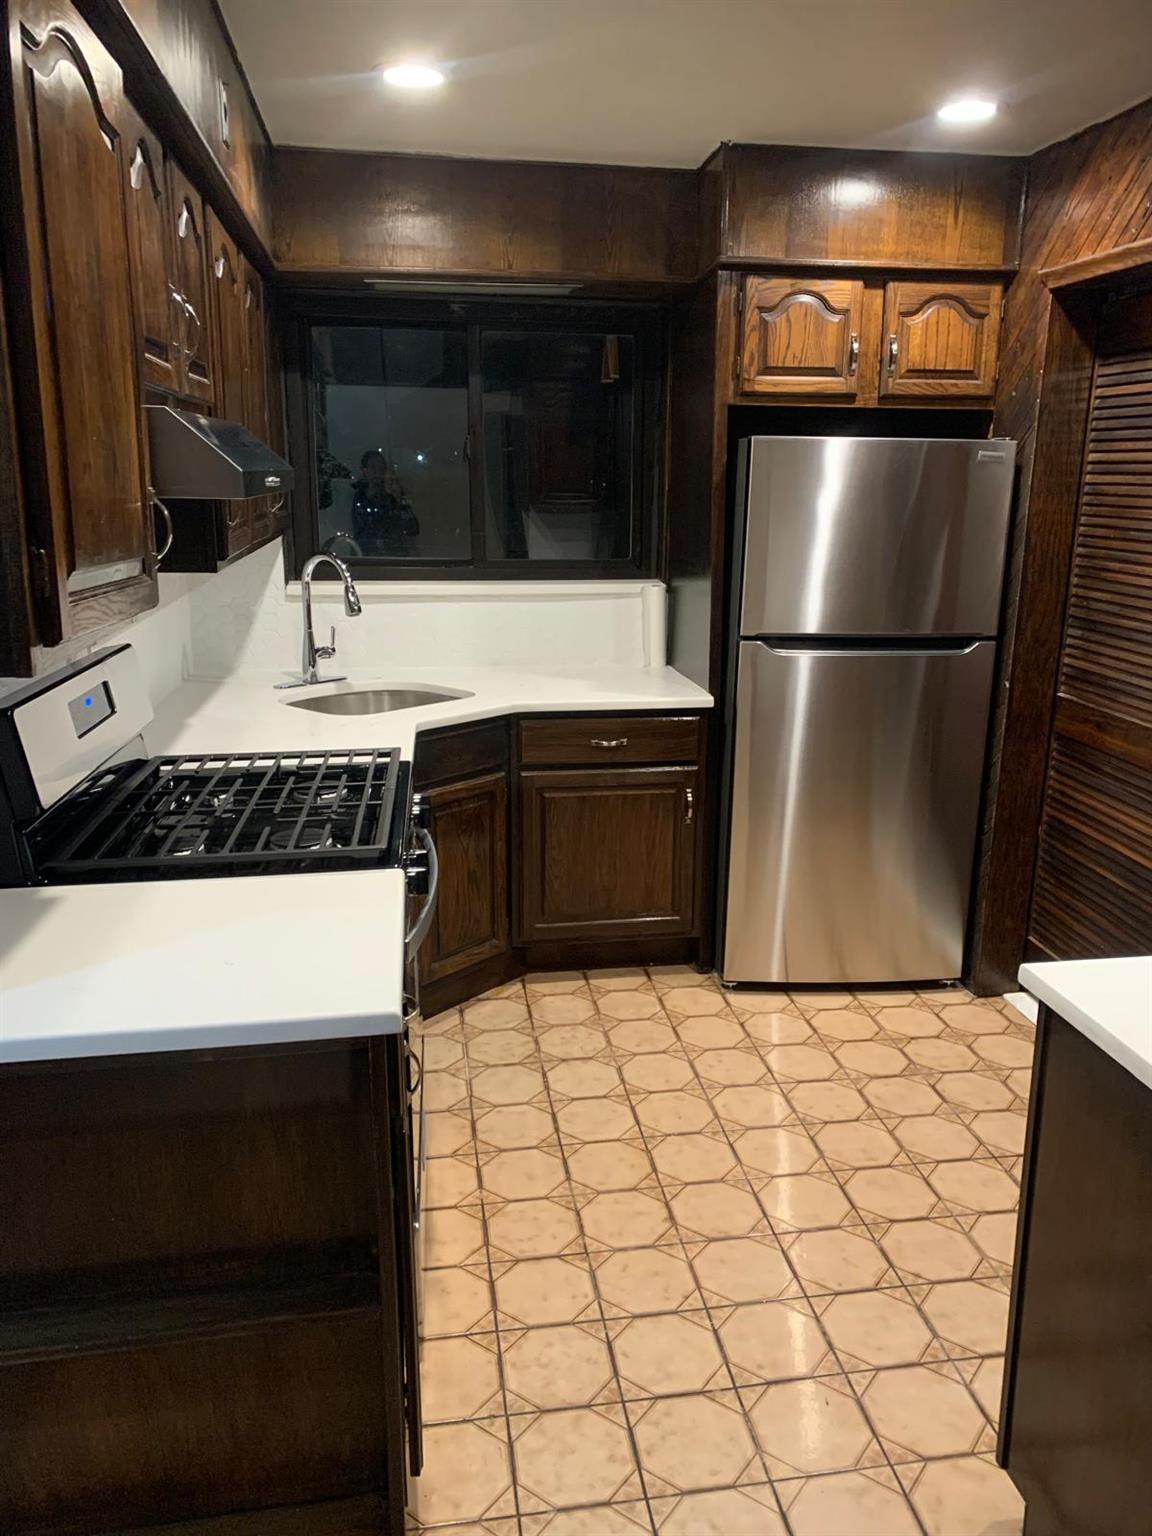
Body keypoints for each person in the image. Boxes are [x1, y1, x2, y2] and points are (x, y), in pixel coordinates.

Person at [350, 450, 420, 556]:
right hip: (366, 559)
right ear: (364, 470)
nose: (378, 472)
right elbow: (365, 531)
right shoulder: (357, 498)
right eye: (373, 467)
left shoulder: (393, 497)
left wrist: (398, 499)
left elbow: (413, 529)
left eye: (381, 468)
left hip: (393, 558)